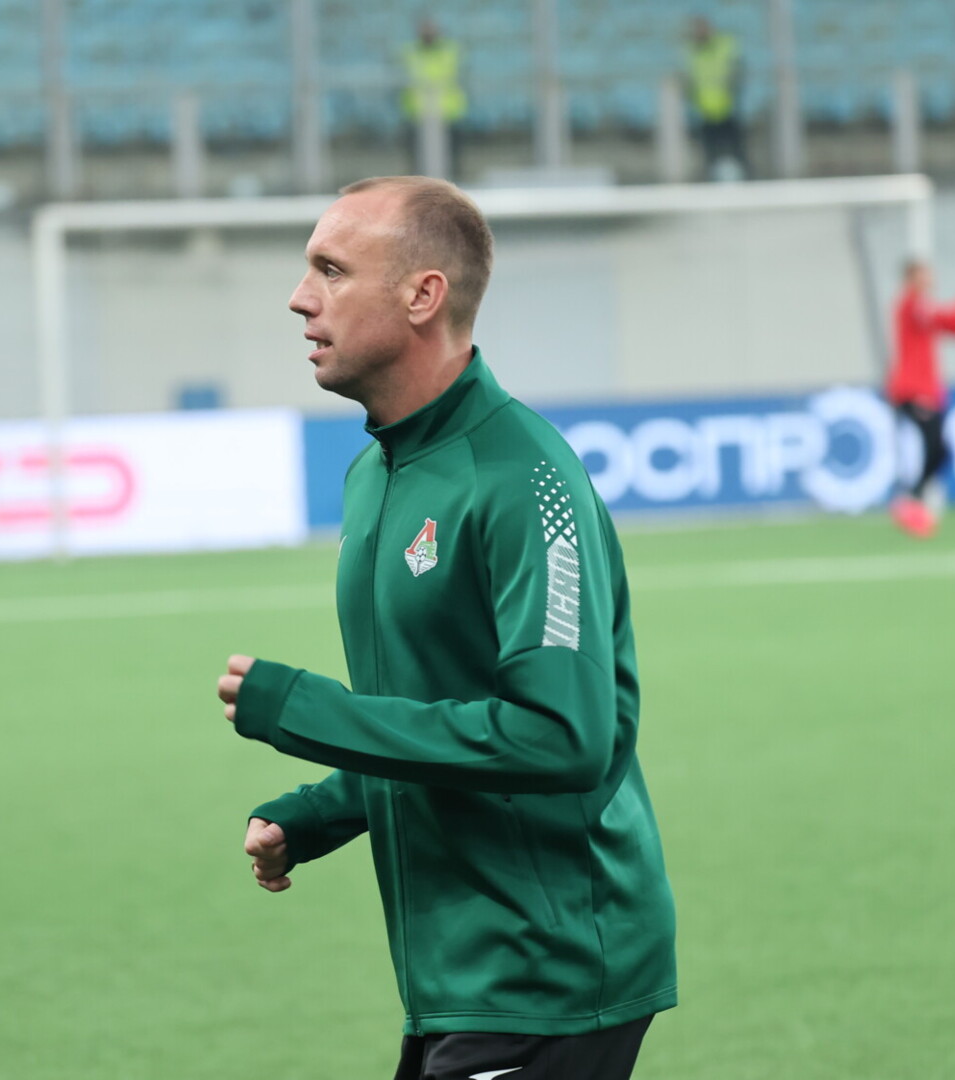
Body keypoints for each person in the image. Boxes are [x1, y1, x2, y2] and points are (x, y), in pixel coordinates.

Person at [216, 176, 677, 1080]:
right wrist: (322, 811)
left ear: (423, 295)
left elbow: (562, 736)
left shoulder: (525, 479)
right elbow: (442, 714)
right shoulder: (374, 476)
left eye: (331, 270)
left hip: (548, 970)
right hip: (459, 977)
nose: (301, 298)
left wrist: (310, 711)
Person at [886, 259, 955, 538]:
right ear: (911, 278)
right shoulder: (913, 304)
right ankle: (910, 501)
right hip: (913, 391)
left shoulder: (917, 305)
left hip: (924, 391)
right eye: (924, 274)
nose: (930, 278)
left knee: (939, 450)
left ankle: (912, 501)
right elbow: (952, 322)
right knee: (936, 447)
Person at [402, 18, 466, 179]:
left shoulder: (450, 51)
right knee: (417, 157)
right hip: (418, 112)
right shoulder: (409, 52)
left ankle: (453, 182)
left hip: (448, 111)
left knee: (451, 155)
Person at [684, 15, 746, 180]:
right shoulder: (691, 52)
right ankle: (711, 180)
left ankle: (746, 179)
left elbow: (737, 71)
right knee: (710, 152)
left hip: (727, 106)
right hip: (705, 110)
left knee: (737, 149)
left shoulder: (725, 45)